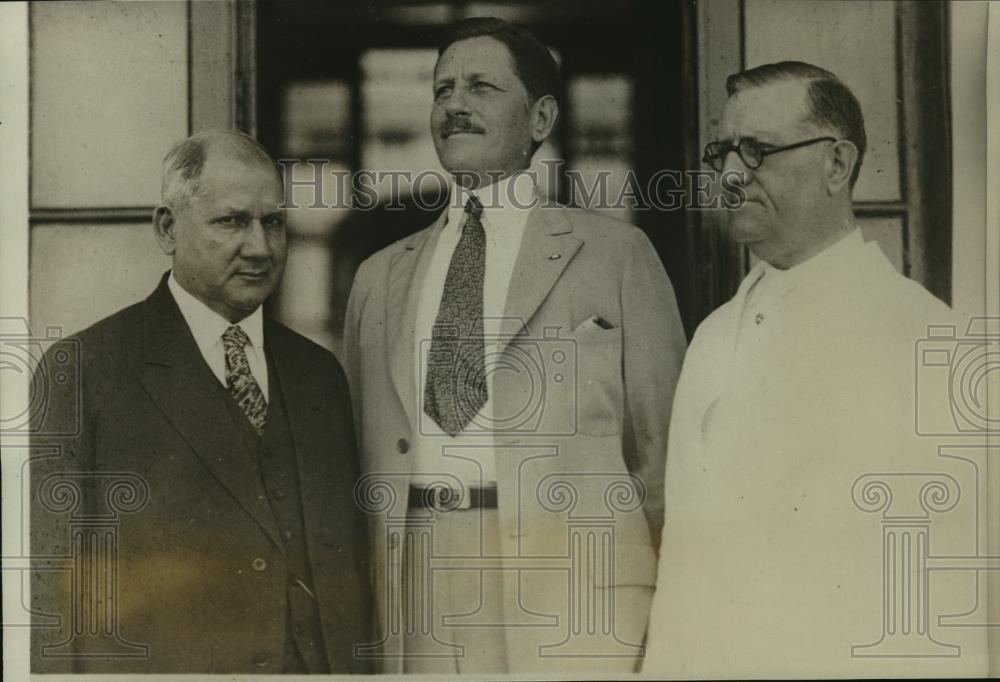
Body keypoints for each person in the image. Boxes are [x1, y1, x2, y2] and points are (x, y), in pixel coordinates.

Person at [342, 17, 686, 674]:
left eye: (480, 87)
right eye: (442, 89)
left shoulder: (615, 255)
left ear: (541, 116)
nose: (454, 105)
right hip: (423, 579)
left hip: (579, 589)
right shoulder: (379, 277)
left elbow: (665, 459)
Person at [643, 62, 988, 677]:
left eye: (757, 151)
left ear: (837, 164)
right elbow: (685, 569)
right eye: (722, 151)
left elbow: (949, 598)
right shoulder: (714, 337)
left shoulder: (924, 337)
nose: (728, 174)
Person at [30, 130, 371, 674]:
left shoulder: (319, 377)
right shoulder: (84, 372)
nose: (260, 247)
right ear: (168, 228)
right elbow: (49, 595)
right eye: (231, 221)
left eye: (274, 222)